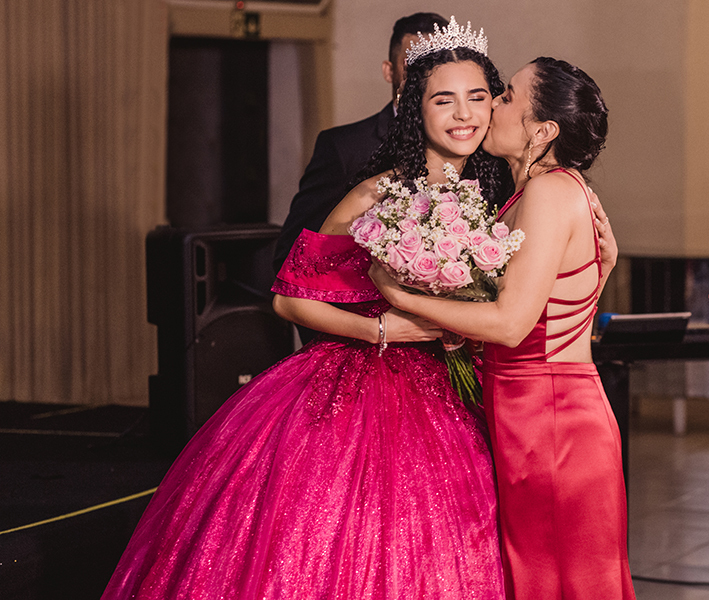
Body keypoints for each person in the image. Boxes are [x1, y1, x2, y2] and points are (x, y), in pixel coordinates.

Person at [101, 19, 508, 599]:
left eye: (477, 98)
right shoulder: (375, 192)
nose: (463, 113)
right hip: (361, 389)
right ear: (414, 108)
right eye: (443, 99)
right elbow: (289, 297)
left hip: (455, 393)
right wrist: (381, 328)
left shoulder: (498, 196)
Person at [370, 57, 636, 599]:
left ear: (542, 131)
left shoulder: (550, 192)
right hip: (528, 413)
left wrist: (400, 297)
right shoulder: (530, 193)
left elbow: (512, 324)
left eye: (507, 96)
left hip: (553, 421)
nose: (492, 104)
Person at [272, 12, 448, 278]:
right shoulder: (344, 148)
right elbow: (292, 257)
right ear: (389, 71)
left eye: (438, 64)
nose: (427, 76)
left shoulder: (474, 145)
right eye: (414, 64)